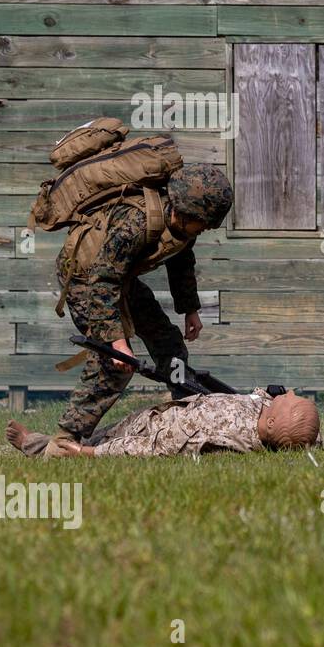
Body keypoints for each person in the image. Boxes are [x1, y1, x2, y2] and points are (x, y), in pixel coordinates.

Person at [50, 163, 233, 454]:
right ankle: (63, 443)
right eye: (205, 223)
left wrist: (190, 310)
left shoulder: (184, 223)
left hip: (119, 277)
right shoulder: (136, 223)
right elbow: (103, 280)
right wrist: (117, 340)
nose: (208, 228)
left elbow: (181, 261)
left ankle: (186, 413)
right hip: (86, 278)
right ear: (185, 212)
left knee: (167, 342)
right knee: (114, 364)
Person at [6, 390, 319, 458]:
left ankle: (36, 447)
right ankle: (40, 443)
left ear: (274, 420)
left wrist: (88, 455)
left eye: (289, 400)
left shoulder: (224, 434)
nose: (289, 394)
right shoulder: (264, 413)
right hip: (157, 415)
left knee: (87, 445)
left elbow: (153, 448)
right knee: (96, 435)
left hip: (149, 431)